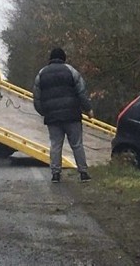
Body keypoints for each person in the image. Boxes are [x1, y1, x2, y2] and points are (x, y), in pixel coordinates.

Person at [33, 47, 94, 183]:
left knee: (55, 145)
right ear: (64, 58)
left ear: (50, 58)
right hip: (72, 115)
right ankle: (83, 173)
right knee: (77, 144)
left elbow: (37, 98)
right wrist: (88, 109)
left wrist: (44, 112)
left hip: (53, 118)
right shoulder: (71, 71)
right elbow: (81, 92)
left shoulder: (41, 74)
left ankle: (55, 174)